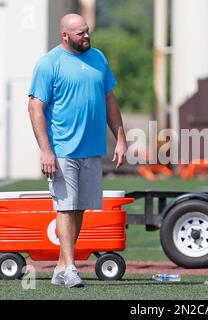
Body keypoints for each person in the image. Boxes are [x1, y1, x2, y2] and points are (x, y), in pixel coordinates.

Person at [28, 13, 127, 288]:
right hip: (62, 149)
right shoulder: (50, 63)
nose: (86, 36)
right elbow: (35, 106)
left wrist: (120, 138)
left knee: (80, 207)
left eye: (87, 31)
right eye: (80, 33)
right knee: (66, 208)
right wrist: (46, 150)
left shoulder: (98, 58)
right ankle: (70, 267)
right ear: (65, 36)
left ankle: (61, 266)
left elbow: (109, 99)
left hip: (91, 149)